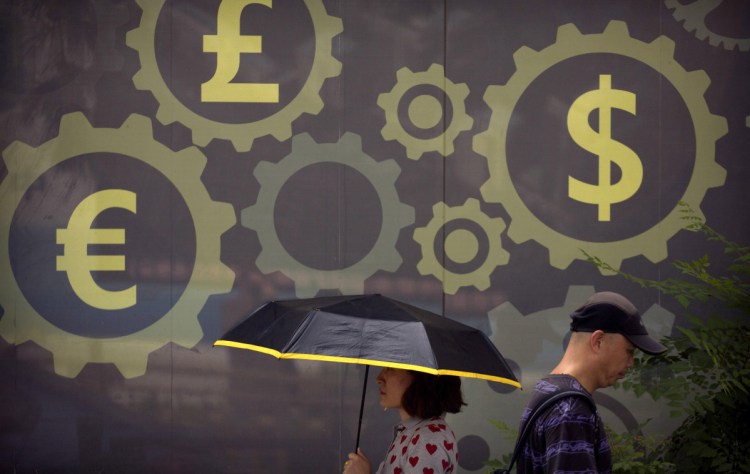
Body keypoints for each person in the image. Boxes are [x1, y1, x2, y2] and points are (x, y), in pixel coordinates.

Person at [515, 291, 667, 474]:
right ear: (598, 341)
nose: (631, 363)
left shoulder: (549, 389)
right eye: (629, 351)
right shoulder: (570, 409)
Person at [343, 367, 465, 474]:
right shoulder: (412, 432)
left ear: (420, 378)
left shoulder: (429, 437)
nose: (379, 378)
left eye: (391, 369)